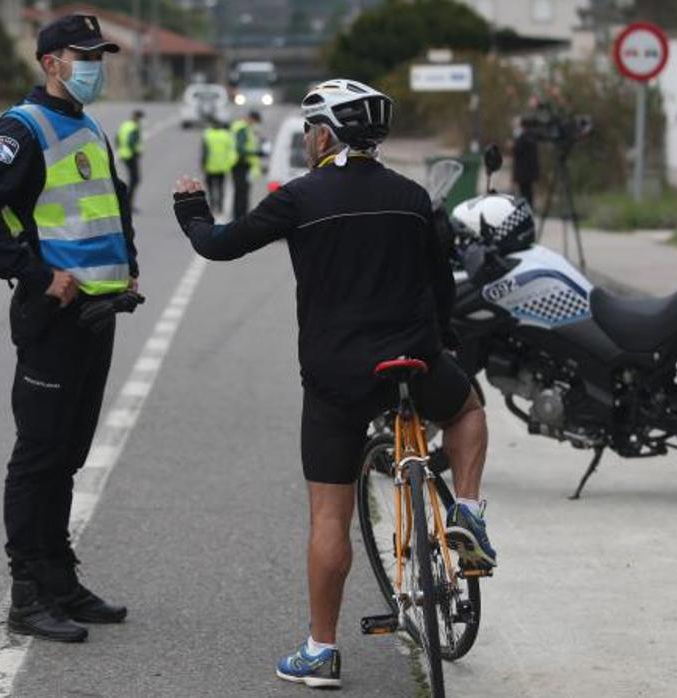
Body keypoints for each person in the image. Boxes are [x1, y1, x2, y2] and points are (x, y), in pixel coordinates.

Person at [171, 79, 495, 690]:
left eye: (308, 128)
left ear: (325, 133)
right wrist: (443, 340)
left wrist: (191, 211)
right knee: (470, 411)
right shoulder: (412, 198)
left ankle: (322, 651)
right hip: (416, 362)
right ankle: (470, 513)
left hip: (337, 376)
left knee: (329, 514)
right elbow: (440, 283)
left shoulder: (300, 197)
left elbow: (218, 246)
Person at [0, 13, 138, 644]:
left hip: (98, 315)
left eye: (99, 54)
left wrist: (129, 270)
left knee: (67, 456)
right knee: (37, 458)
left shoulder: (86, 127)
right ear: (50, 62)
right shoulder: (21, 129)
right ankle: (27, 594)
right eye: (84, 55)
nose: (95, 64)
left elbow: (109, 206)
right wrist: (35, 275)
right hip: (52, 318)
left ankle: (61, 581)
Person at [229, 110, 262, 216]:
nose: (255, 124)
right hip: (240, 164)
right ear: (251, 119)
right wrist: (256, 153)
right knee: (242, 193)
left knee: (240, 193)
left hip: (239, 164)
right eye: (255, 122)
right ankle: (240, 217)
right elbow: (240, 148)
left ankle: (238, 216)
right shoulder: (242, 128)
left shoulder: (241, 127)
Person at [200, 117, 234, 215]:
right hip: (223, 167)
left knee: (210, 188)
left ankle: (212, 206)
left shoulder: (207, 135)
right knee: (220, 187)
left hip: (210, 167)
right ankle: (220, 207)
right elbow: (231, 150)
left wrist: (203, 164)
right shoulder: (226, 135)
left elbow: (204, 152)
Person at [116, 109, 143, 211]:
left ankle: (127, 203)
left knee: (133, 179)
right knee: (135, 180)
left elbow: (117, 138)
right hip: (131, 156)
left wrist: (121, 150)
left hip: (124, 155)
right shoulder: (134, 127)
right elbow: (131, 142)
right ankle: (127, 204)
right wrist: (135, 152)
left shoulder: (125, 125)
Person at [512, 118, 540, 207]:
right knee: (528, 192)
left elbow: (518, 150)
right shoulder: (532, 137)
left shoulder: (523, 138)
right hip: (530, 172)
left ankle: (526, 208)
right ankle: (528, 207)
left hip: (523, 172)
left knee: (525, 192)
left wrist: (513, 145)